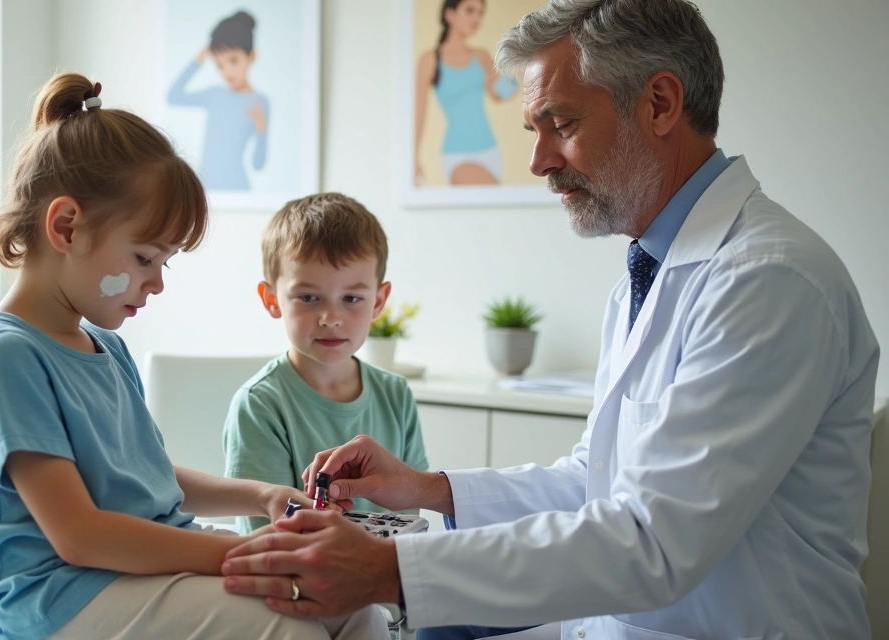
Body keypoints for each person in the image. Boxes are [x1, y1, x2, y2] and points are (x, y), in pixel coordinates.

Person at [220, 1, 881, 638]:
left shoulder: (766, 280)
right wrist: (425, 488)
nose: (539, 161)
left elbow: (655, 541)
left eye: (559, 124)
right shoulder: (651, 272)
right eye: (533, 131)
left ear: (659, 104)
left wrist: (386, 569)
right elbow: (594, 481)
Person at [0, 73, 388, 640]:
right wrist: (242, 552)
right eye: (145, 258)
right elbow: (80, 535)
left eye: (164, 263)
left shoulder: (107, 348)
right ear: (66, 227)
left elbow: (142, 475)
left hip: (127, 571)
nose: (156, 283)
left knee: (350, 601)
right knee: (285, 623)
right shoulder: (5, 359)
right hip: (56, 596)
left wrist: (263, 494)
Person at [222, 192, 428, 533]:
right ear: (272, 299)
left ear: (378, 301)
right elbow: (266, 535)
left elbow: (410, 515)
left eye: (351, 298)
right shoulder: (260, 404)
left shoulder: (396, 394)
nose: (331, 317)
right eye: (308, 297)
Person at [415, 0, 516, 187]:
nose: (476, 18)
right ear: (449, 14)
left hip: (491, 150)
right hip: (458, 154)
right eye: (470, 11)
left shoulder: (481, 56)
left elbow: (500, 95)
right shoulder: (430, 60)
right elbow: (418, 113)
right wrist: (412, 158)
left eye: (480, 13)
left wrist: (511, 76)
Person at [168, 10, 269, 191]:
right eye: (220, 65)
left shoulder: (260, 102)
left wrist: (261, 132)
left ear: (251, 57)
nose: (227, 72)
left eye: (234, 60)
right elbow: (174, 96)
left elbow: (258, 165)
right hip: (206, 188)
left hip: (238, 189)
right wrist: (197, 61)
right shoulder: (214, 95)